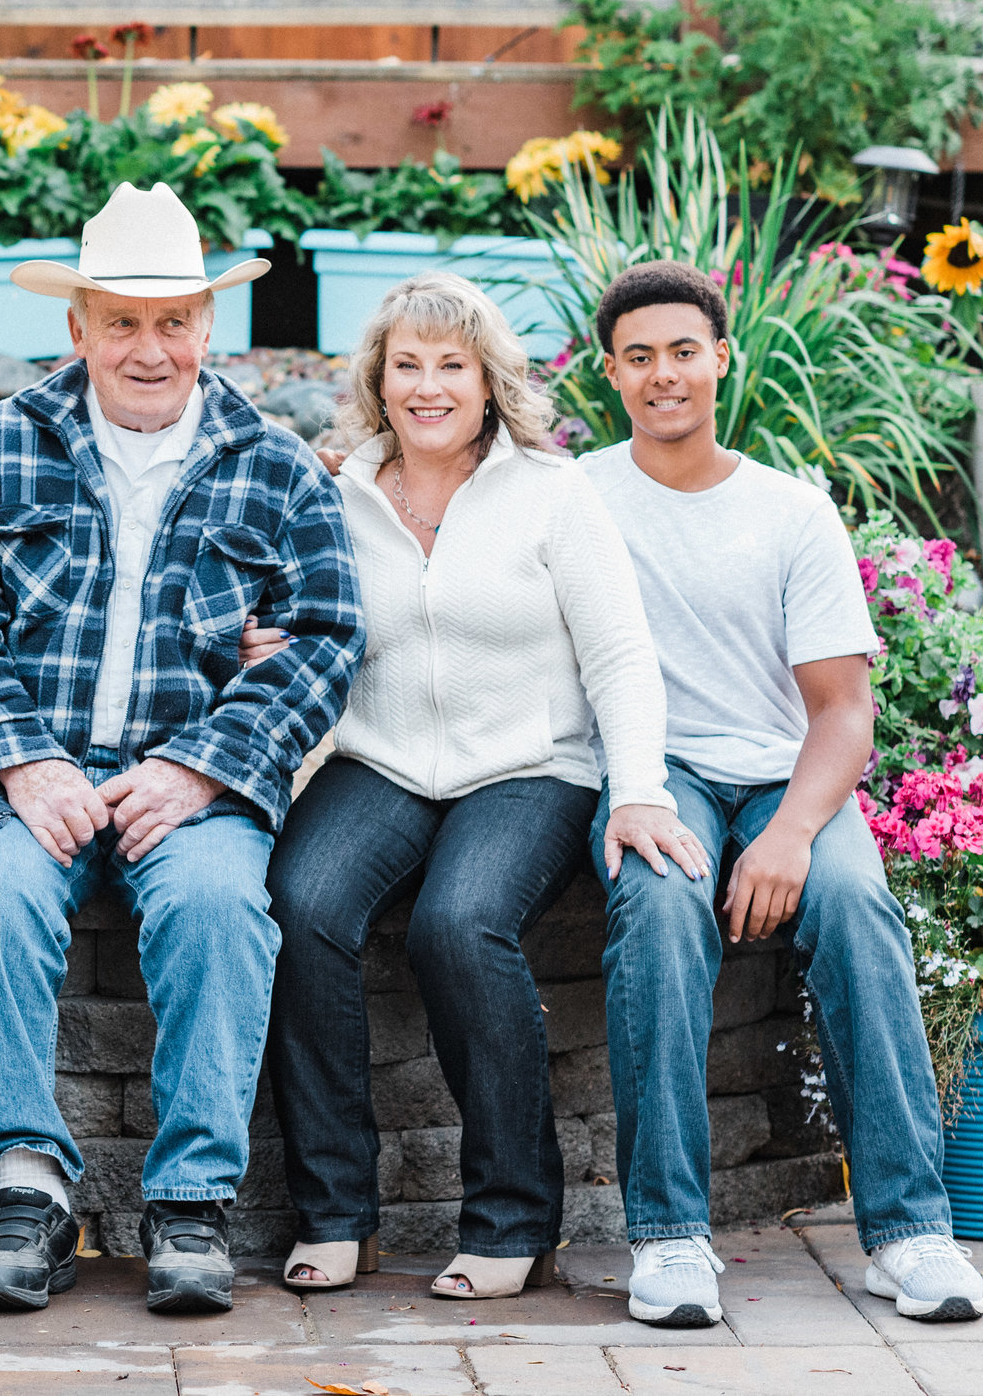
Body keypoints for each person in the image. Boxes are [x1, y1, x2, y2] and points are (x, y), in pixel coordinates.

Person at [0, 182, 363, 1315]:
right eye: (121, 321)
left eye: (172, 322)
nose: (148, 348)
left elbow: (325, 640)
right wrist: (22, 759)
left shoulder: (276, 465)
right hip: (29, 770)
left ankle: (189, 1202)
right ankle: (28, 1194)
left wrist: (202, 765)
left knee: (218, 908)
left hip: (191, 778)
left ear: (209, 329)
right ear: (77, 329)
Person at [241, 273, 691, 1300]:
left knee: (459, 918)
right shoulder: (337, 490)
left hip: (530, 763)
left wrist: (640, 789)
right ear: (378, 378)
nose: (428, 386)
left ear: (489, 382)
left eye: (452, 366)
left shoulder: (551, 490)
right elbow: (295, 618)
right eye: (408, 365)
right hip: (384, 758)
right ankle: (335, 1211)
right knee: (297, 900)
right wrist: (260, 637)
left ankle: (511, 1217)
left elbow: (619, 654)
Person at [579, 260, 983, 1328]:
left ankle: (909, 1232)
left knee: (854, 905)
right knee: (660, 910)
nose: (662, 374)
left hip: (783, 772)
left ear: (721, 358)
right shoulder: (575, 496)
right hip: (653, 776)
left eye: (681, 350)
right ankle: (668, 1238)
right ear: (609, 374)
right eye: (638, 357)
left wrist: (794, 835)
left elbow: (843, 711)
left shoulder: (789, 511)